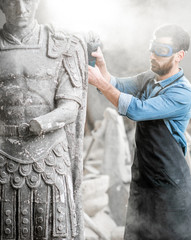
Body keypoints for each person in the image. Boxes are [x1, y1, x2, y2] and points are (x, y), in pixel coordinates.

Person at [88, 24, 191, 239]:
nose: (154, 55)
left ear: (179, 55)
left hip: (170, 191)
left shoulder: (182, 93)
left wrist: (99, 82)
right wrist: (100, 64)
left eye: (162, 50)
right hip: (143, 184)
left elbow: (137, 110)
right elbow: (115, 85)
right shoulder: (148, 79)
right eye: (152, 47)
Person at [0, 0, 87, 239]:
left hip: (50, 155)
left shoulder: (62, 45)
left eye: (27, 1)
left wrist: (43, 123)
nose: (21, 9)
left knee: (54, 229)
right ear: (1, 6)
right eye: (11, 2)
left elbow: (71, 106)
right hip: (3, 155)